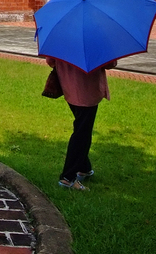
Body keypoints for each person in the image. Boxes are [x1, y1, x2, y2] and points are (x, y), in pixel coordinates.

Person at [45, 57, 116, 191]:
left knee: (82, 128)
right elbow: (110, 63)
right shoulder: (95, 38)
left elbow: (50, 61)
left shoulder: (61, 37)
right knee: (82, 134)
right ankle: (68, 178)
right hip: (88, 92)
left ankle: (84, 168)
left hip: (68, 88)